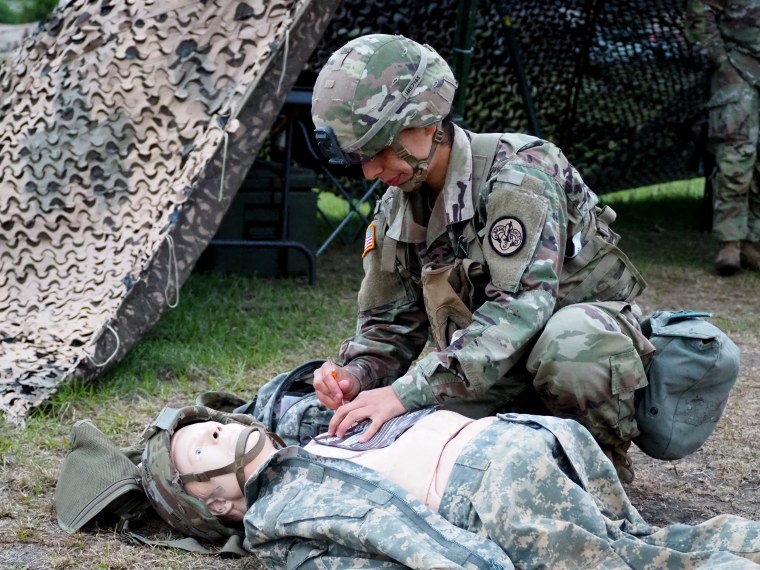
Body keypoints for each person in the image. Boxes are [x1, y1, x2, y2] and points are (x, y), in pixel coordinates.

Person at [309, 33, 652, 482]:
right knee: (395, 435)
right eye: (360, 158)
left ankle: (600, 469)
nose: (371, 172)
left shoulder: (519, 177)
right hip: (487, 367)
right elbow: (389, 324)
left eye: (379, 150)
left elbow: (520, 310)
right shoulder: (398, 203)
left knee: (571, 346)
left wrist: (405, 392)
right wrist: (356, 375)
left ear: (427, 122)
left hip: (578, 354)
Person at [140, 404, 760, 569]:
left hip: (519, 441)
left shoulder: (304, 438)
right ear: (216, 502)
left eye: (214, 424)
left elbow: (272, 394)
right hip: (497, 485)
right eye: (204, 443)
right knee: (641, 551)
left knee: (635, 547)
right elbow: (389, 534)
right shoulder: (279, 513)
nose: (219, 428)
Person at [684, 0, 760, 275]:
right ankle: (730, 243)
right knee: (735, 159)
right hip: (738, 74)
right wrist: (722, 63)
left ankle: (753, 242)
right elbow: (699, 11)